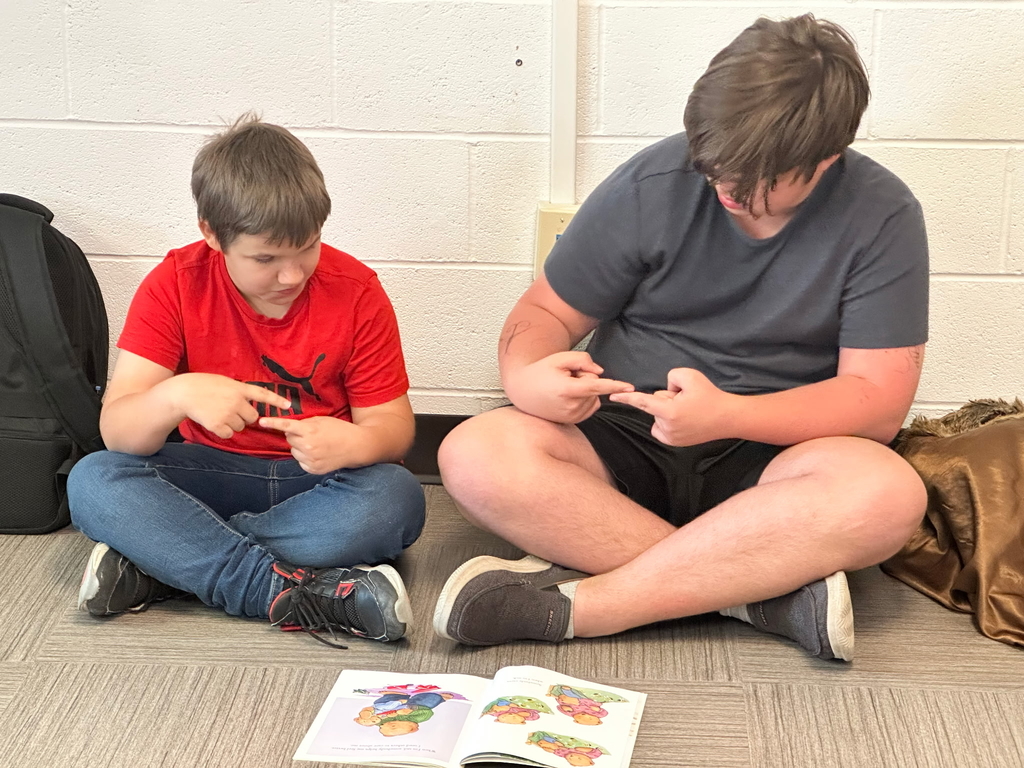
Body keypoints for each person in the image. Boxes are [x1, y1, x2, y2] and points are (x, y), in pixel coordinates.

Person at [433, 14, 929, 661]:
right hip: (623, 433)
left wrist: (729, 413)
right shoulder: (653, 181)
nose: (725, 189)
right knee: (472, 455)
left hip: (774, 454)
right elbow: (544, 311)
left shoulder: (882, 214)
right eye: (716, 169)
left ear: (825, 160)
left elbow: (877, 403)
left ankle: (595, 607)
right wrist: (529, 373)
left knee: (889, 496)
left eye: (753, 185)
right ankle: (756, 594)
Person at [68, 114, 425, 647]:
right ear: (212, 234)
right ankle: (282, 590)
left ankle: (166, 564)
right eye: (266, 258)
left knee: (398, 497)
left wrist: (358, 440)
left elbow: (394, 429)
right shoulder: (175, 284)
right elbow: (119, 433)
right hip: (209, 473)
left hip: (318, 482)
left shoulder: (355, 290)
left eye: (308, 247)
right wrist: (177, 394)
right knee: (94, 479)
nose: (293, 274)